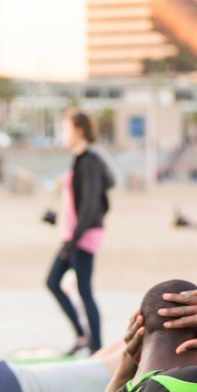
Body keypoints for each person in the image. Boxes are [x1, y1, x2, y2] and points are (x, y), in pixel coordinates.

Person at [46, 109, 115, 355]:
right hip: (74, 235)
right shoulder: (79, 159)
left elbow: (90, 206)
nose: (63, 134)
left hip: (82, 237)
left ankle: (95, 345)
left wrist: (73, 242)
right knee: (54, 282)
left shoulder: (89, 162)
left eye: (65, 129)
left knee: (83, 290)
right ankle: (83, 337)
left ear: (79, 131)